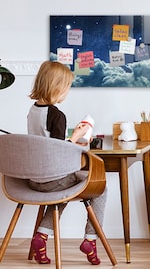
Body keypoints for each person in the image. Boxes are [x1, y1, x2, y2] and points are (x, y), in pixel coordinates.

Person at [27, 60, 107, 265]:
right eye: (67, 88)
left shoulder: (33, 111)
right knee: (99, 187)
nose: (67, 92)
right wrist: (79, 138)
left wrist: (71, 139)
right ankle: (91, 240)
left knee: (63, 191)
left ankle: (41, 237)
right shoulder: (57, 115)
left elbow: (46, 144)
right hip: (52, 179)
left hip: (34, 179)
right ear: (56, 87)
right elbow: (58, 152)